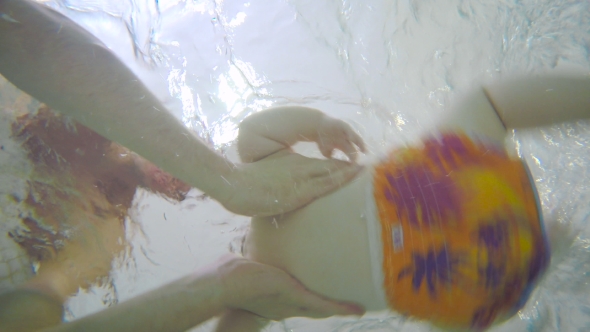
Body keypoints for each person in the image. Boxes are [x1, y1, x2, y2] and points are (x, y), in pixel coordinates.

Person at [0, 0, 365, 331]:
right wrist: (317, 125)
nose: (181, 182)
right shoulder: (92, 105)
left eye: (185, 188)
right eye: (189, 170)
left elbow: (36, 304)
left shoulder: (107, 223)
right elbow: (19, 28)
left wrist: (227, 290)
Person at [216, 74, 590, 331]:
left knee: (531, 260)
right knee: (490, 105)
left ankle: (552, 245)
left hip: (449, 290)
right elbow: (252, 131)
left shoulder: (255, 297)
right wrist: (318, 125)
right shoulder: (259, 180)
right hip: (421, 194)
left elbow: (234, 325)